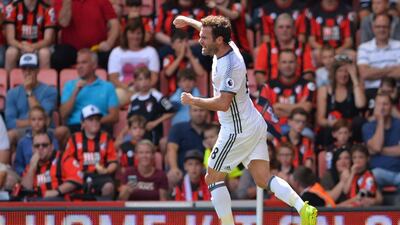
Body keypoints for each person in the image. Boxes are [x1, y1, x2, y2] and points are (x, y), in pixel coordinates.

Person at [173, 15, 317, 225]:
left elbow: (223, 103)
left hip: (237, 129)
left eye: (204, 38)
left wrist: (194, 100)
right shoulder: (225, 42)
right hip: (254, 122)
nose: (200, 40)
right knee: (263, 179)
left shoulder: (231, 66)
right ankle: (304, 208)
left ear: (219, 40)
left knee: (212, 178)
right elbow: (207, 29)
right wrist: (187, 21)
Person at [5, 53, 57, 164]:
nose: (27, 72)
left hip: (45, 131)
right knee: (9, 135)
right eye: (24, 69)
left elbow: (42, 118)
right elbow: (10, 123)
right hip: (22, 132)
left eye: (31, 69)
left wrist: (29, 92)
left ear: (38, 70)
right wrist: (34, 122)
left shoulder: (50, 91)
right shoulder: (12, 93)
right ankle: (5, 169)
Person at [59, 49, 119, 136]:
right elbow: (63, 114)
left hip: (99, 127)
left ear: (94, 65)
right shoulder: (70, 85)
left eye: (84, 63)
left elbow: (114, 116)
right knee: (60, 132)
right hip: (75, 127)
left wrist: (92, 122)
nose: (79, 66)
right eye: (78, 63)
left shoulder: (107, 86)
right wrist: (76, 91)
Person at [63, 104, 118, 199]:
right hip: (79, 176)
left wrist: (106, 170)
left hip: (100, 176)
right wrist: (76, 172)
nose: (95, 123)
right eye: (91, 120)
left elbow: (113, 162)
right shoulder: (74, 138)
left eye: (97, 120)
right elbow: (66, 160)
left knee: (109, 186)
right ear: (83, 123)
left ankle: (104, 212)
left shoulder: (106, 138)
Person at [52, 0, 119, 70]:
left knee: (110, 58)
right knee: (58, 58)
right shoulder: (60, 1)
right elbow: (64, 23)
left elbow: (114, 24)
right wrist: (67, 3)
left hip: (97, 48)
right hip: (72, 50)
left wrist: (109, 43)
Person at [316, 54, 366, 146]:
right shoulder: (324, 90)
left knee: (359, 122)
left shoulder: (356, 88)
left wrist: (354, 78)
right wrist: (335, 123)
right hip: (334, 128)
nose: (343, 75)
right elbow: (320, 120)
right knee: (327, 131)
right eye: (340, 71)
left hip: (351, 129)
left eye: (347, 72)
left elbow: (361, 104)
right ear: (334, 73)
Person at [108, 20, 160, 104]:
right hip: (123, 89)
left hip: (146, 88)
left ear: (143, 35)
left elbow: (154, 77)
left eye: (138, 33)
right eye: (132, 33)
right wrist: (127, 88)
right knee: (112, 100)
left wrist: (142, 87)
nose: (135, 36)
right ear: (126, 34)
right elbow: (113, 78)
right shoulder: (116, 52)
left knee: (158, 100)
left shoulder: (151, 51)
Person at [254, 13, 314, 86]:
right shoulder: (266, 47)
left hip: (298, 90)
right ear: (275, 30)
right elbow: (259, 74)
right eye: (281, 27)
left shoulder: (304, 47)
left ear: (294, 29)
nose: (284, 30)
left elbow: (308, 74)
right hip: (272, 90)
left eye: (288, 27)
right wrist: (269, 90)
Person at [21, 131, 82, 200]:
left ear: (52, 147)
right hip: (37, 206)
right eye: (37, 146)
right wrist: (32, 168)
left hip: (61, 204)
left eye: (44, 145)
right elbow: (25, 189)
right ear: (32, 149)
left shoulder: (63, 159)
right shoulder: (31, 166)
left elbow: (77, 179)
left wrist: (56, 191)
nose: (40, 148)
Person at [357, 14, 400, 112]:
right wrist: (391, 69)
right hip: (372, 91)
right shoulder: (364, 48)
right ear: (373, 28)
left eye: (384, 27)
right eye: (378, 27)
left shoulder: (399, 46)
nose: (381, 30)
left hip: (396, 90)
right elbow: (365, 74)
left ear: (390, 28)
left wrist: (374, 71)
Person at [362, 93, 400, 196]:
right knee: (369, 179)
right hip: (378, 172)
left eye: (385, 104)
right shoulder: (368, 127)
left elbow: (377, 149)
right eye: (379, 104)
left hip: (399, 172)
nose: (382, 107)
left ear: (391, 107)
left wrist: (379, 151)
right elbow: (377, 146)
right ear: (375, 106)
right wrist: (381, 121)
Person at [3, 0, 56, 72]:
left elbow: (48, 39)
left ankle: (45, 82)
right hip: (18, 46)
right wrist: (22, 46)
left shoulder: (48, 9)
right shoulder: (12, 7)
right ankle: (9, 82)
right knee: (11, 53)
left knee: (44, 54)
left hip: (40, 46)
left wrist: (33, 46)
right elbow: (10, 39)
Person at [127, 66, 175, 145]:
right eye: (140, 79)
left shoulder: (157, 96)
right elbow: (129, 119)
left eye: (146, 79)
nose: (144, 82)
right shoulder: (133, 99)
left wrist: (155, 122)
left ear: (150, 80)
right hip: (137, 136)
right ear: (135, 82)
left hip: (154, 133)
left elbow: (172, 111)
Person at [166, 105, 208, 185]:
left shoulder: (212, 129)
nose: (198, 114)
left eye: (201, 110)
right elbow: (171, 149)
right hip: (182, 170)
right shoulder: (178, 128)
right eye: (195, 110)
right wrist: (174, 168)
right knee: (172, 176)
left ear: (207, 112)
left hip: (206, 171)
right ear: (189, 112)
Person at [14, 106, 59, 176]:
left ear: (45, 121)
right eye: (33, 119)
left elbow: (57, 158)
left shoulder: (53, 139)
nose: (37, 122)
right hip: (29, 176)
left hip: (49, 174)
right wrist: (24, 174)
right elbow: (18, 164)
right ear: (29, 121)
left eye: (40, 119)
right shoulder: (22, 142)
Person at [162, 31, 206, 97]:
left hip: (191, 93)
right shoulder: (169, 58)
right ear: (173, 45)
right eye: (180, 42)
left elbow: (201, 73)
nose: (184, 45)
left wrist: (191, 57)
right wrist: (180, 56)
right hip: (174, 95)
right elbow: (168, 73)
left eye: (186, 42)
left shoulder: (192, 58)